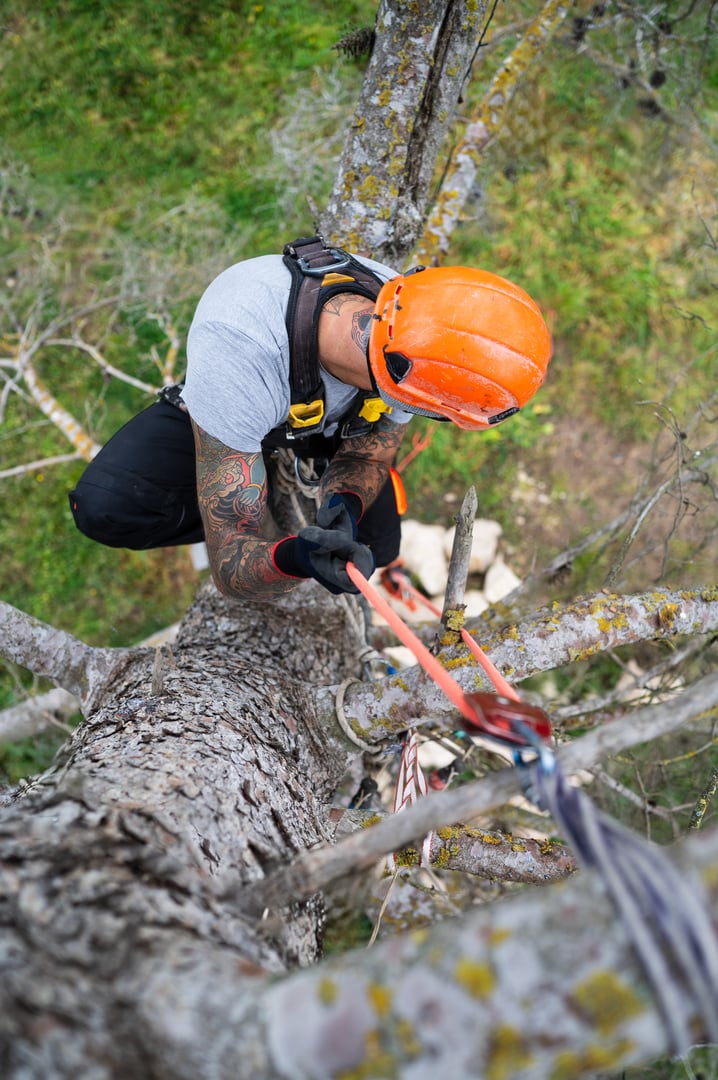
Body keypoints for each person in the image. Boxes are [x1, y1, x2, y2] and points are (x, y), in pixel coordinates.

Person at [69, 238, 551, 600]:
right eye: (438, 414)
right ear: (400, 380)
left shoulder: (416, 330)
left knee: (378, 547)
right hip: (247, 403)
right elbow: (232, 567)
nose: (429, 417)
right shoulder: (241, 355)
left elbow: (370, 447)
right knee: (109, 509)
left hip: (324, 416)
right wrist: (294, 557)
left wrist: (345, 505)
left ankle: (289, 482)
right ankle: (262, 477)